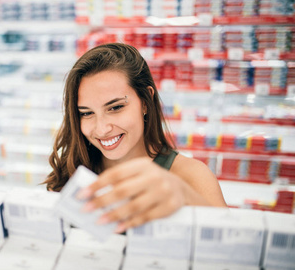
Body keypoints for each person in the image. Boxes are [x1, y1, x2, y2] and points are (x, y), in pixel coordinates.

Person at [44, 43, 227, 233]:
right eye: (87, 113)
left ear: (145, 102)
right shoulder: (69, 173)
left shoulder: (193, 176)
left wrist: (185, 195)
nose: (102, 129)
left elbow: (233, 253)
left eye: (115, 107)